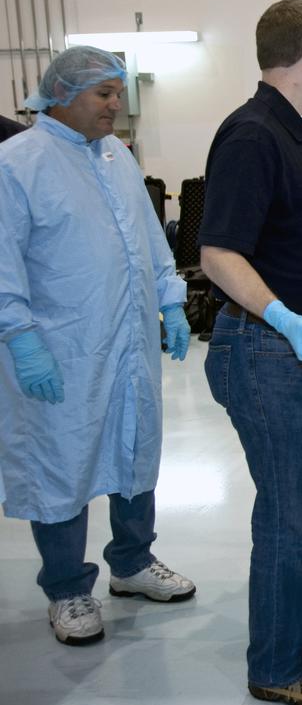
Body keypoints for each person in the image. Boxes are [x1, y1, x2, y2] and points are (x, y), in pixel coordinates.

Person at [0, 46, 195, 648]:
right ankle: (67, 589)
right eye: (104, 94)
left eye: (119, 93)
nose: (117, 105)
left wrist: (170, 299)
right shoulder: (18, 163)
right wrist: (20, 338)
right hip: (62, 349)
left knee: (135, 447)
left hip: (128, 341)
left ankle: (132, 563)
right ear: (61, 95)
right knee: (62, 462)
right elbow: (3, 261)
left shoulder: (117, 157)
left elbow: (150, 239)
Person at [199, 0, 302, 705]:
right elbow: (218, 255)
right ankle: (279, 665)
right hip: (266, 350)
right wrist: (284, 318)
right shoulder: (253, 135)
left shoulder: (301, 137)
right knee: (291, 515)